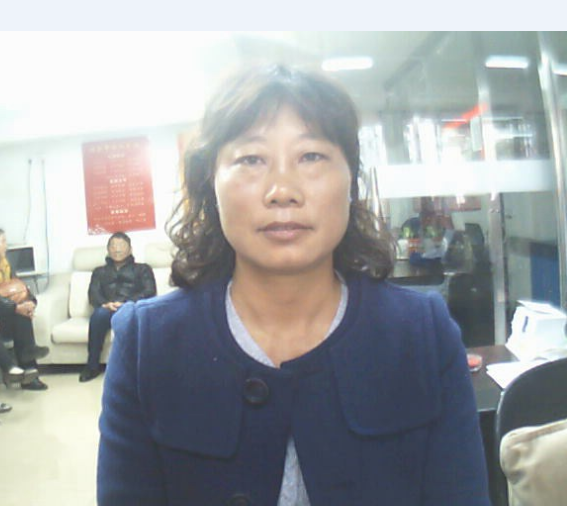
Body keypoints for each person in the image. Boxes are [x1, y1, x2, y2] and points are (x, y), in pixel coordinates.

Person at [98, 65, 490, 505]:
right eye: (251, 159)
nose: (282, 190)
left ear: (351, 180)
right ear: (211, 184)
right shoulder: (145, 345)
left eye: (311, 156)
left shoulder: (423, 333)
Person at [80, 231, 157, 382]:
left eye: (121, 245)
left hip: (131, 308)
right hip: (107, 309)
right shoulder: (99, 271)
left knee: (132, 316)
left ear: (130, 249)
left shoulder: (142, 269)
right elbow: (93, 293)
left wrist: (127, 303)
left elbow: (149, 291)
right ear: (108, 249)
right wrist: (105, 304)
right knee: (98, 315)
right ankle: (92, 366)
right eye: (113, 246)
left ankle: (136, 369)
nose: (117, 249)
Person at [0, 228, 49, 391]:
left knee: (23, 315)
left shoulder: (6, 265)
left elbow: (21, 287)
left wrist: (30, 302)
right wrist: (15, 307)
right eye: (2, 242)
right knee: (19, 312)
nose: (5, 246)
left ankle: (29, 373)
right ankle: (10, 367)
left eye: (5, 241)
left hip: (5, 315)